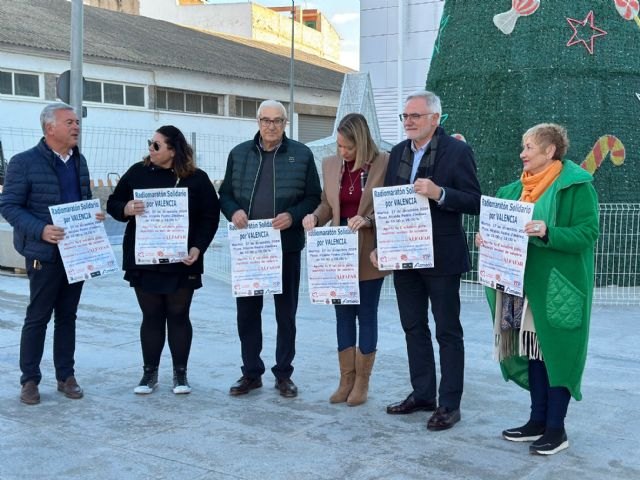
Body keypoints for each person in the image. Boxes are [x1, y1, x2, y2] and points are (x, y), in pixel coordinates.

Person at [476, 124, 599, 455]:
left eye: (529, 147)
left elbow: (588, 233)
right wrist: (486, 238)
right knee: (532, 351)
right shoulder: (512, 190)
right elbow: (499, 231)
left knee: (556, 354)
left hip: (557, 286)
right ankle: (537, 421)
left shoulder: (576, 187)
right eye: (523, 146)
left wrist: (549, 232)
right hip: (517, 286)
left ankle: (556, 429)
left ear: (550, 151)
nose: (522, 153)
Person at [371, 91, 481, 430]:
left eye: (415, 116)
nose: (408, 121)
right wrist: (381, 245)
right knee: (412, 327)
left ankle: (449, 404)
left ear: (435, 118)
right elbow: (388, 205)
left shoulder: (457, 151)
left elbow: (475, 200)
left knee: (447, 331)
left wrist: (440, 193)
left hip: (441, 256)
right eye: (405, 116)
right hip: (405, 256)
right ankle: (422, 394)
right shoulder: (398, 152)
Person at [0, 102, 103, 405]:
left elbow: (82, 199)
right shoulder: (24, 162)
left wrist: (91, 214)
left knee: (67, 316)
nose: (76, 127)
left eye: (76, 122)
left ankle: (66, 376)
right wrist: (41, 229)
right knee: (38, 317)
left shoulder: (78, 161)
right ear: (50, 128)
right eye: (69, 122)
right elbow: (8, 206)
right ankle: (29, 380)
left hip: (77, 253)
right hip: (43, 254)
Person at [219, 99, 321, 398]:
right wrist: (234, 211)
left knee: (285, 314)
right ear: (258, 121)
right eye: (266, 120)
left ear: (285, 123)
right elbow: (224, 194)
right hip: (250, 248)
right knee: (247, 314)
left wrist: (293, 216)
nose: (271, 125)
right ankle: (251, 373)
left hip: (285, 246)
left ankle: (284, 374)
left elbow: (313, 197)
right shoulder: (239, 154)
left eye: (277, 120)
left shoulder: (301, 155)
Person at [107, 125, 219, 395]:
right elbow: (113, 203)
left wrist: (198, 247)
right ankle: (149, 374)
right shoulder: (137, 172)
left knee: (179, 315)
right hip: (145, 259)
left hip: (182, 260)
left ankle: (180, 375)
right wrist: (126, 208)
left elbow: (210, 216)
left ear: (173, 150)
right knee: (152, 316)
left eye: (156, 145)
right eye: (150, 143)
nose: (150, 149)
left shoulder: (196, 179)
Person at [302, 113, 390, 406]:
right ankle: (346, 379)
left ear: (362, 142)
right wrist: (315, 216)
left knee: (366, 316)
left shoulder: (383, 164)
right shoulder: (329, 165)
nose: (342, 152)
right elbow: (328, 204)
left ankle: (362, 383)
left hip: (368, 253)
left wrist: (367, 219)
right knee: (342, 317)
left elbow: (391, 206)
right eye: (339, 146)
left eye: (348, 147)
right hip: (337, 255)